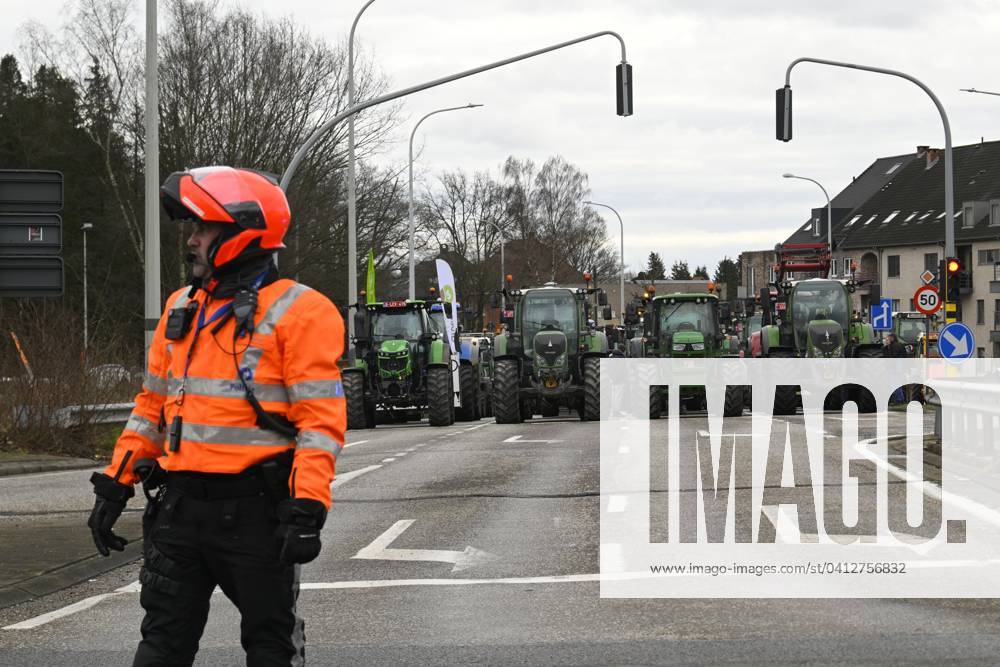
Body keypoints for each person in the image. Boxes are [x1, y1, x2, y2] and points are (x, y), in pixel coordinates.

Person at [86, 166, 345, 666]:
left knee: (271, 646)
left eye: (202, 228)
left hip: (256, 514)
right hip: (179, 512)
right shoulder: (181, 306)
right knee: (160, 645)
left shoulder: (301, 311)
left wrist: (308, 509)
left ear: (238, 234)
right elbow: (151, 408)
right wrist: (115, 484)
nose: (192, 240)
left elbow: (320, 422)